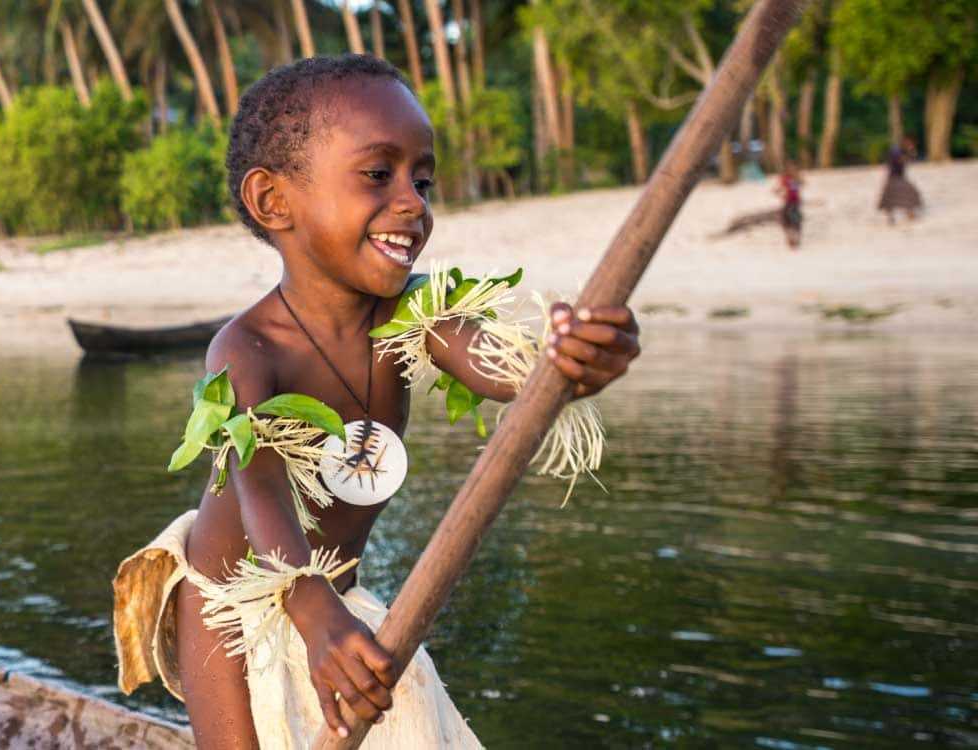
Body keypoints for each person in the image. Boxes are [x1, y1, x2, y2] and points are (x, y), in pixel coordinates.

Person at [111, 56, 642, 748]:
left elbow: (499, 366)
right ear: (274, 202)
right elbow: (259, 482)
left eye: (423, 180)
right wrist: (311, 607)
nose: (414, 203)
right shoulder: (246, 349)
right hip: (234, 614)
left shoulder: (409, 313)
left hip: (337, 605)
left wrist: (570, 361)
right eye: (377, 174)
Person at [878, 136, 924, 225]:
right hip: (894, 177)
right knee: (905, 194)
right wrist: (910, 154)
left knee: (896, 197)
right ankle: (896, 216)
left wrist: (909, 154)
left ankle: (908, 213)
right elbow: (900, 160)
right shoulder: (896, 150)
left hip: (897, 176)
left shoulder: (899, 150)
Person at [776, 162, 804, 249]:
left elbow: (794, 188)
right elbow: (781, 188)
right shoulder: (786, 178)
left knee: (793, 219)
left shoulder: (793, 179)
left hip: (793, 201)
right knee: (787, 219)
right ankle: (792, 236)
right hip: (789, 201)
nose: (791, 170)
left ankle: (794, 237)